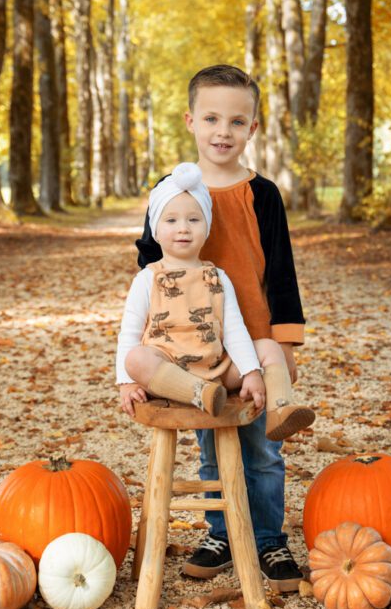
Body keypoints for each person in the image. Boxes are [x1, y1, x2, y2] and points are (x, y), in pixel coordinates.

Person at [133, 64, 313, 593]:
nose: (222, 131)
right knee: (211, 440)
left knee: (262, 448)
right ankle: (219, 532)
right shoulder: (170, 194)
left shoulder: (263, 196)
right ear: (190, 120)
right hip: (194, 347)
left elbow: (281, 273)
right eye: (211, 118)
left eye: (236, 121)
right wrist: (145, 351)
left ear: (253, 128)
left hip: (253, 339)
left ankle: (267, 539)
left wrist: (283, 342)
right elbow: (149, 269)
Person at [117, 163, 314, 442]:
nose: (183, 228)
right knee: (136, 357)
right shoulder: (147, 279)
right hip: (170, 372)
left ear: (207, 229)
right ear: (156, 231)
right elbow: (129, 333)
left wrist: (250, 371)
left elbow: (234, 332)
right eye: (171, 220)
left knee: (269, 347)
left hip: (217, 369)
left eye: (193, 220)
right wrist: (126, 382)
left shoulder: (217, 277)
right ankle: (198, 392)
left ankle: (281, 409)